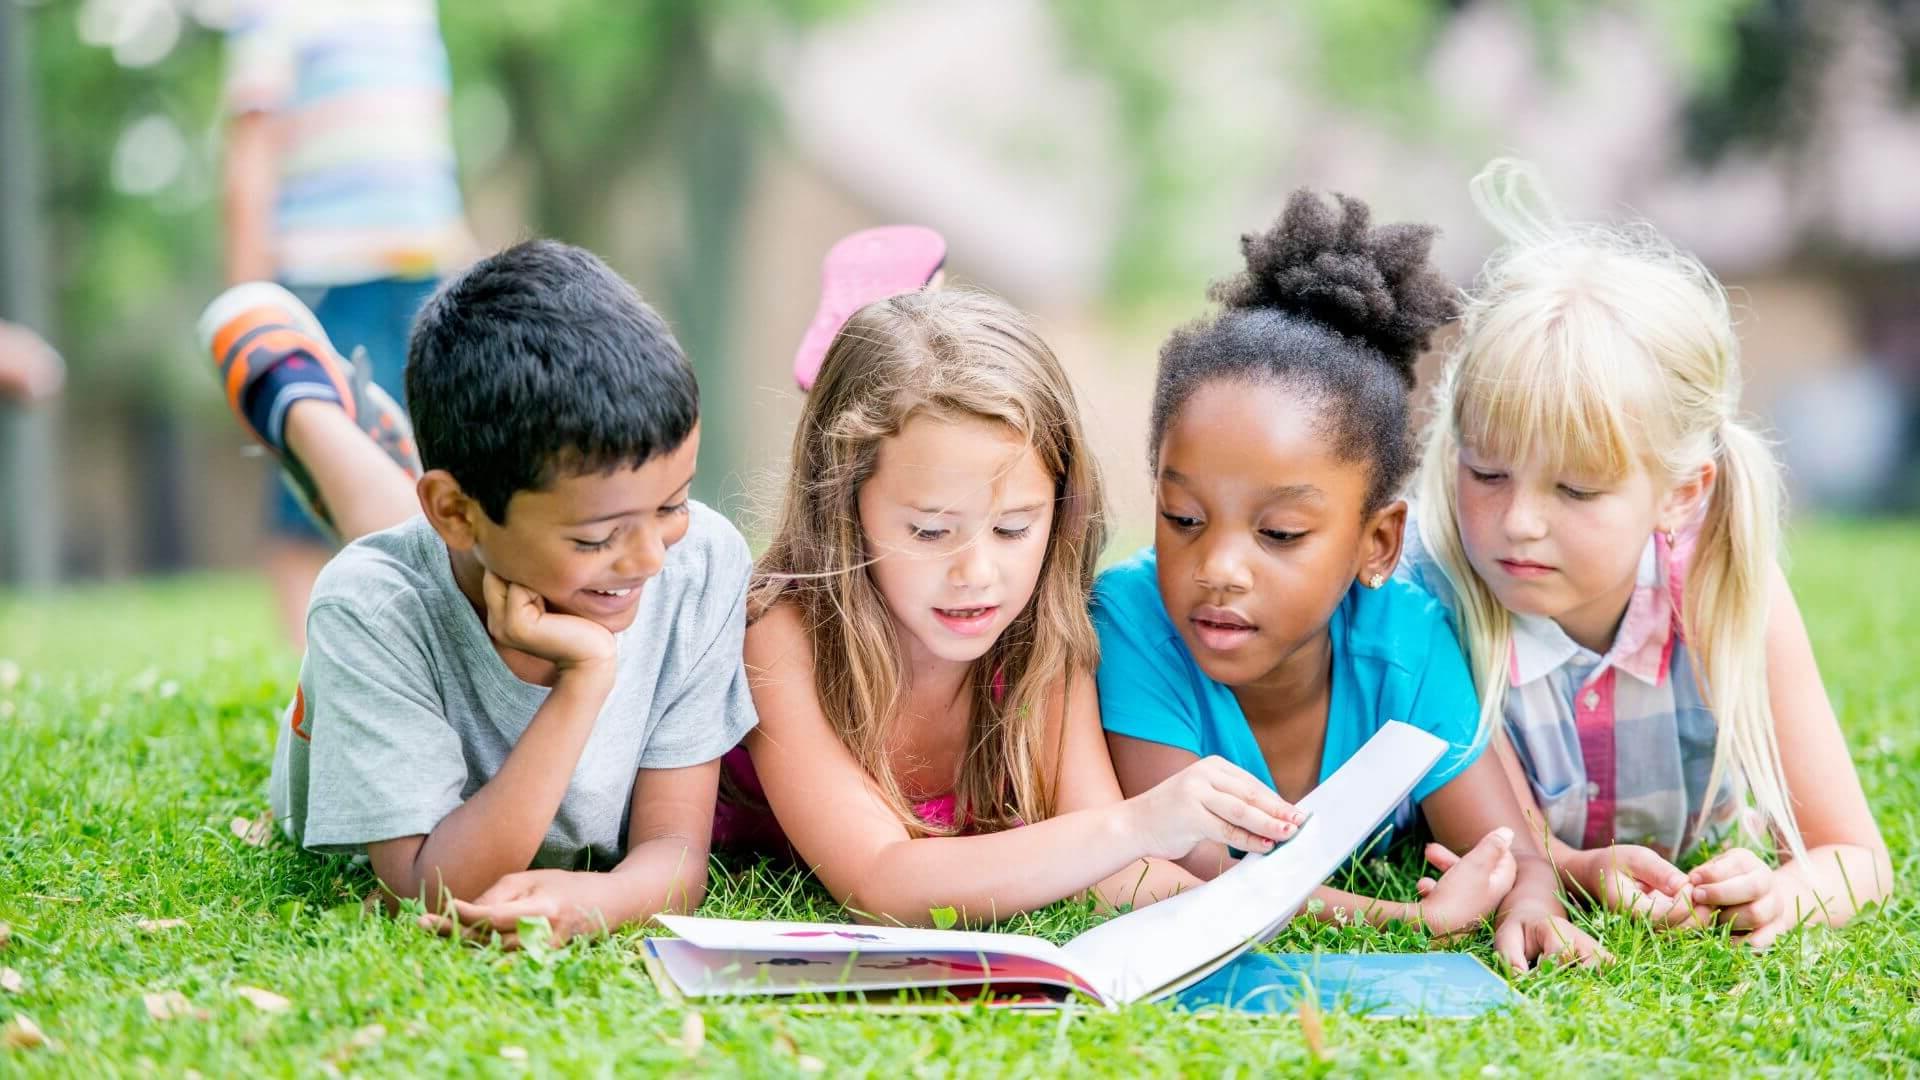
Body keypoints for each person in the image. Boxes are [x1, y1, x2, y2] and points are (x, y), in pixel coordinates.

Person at [1094, 189, 1605, 972]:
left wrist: (1531, 901)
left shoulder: (1408, 641)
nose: (1220, 569)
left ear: (1377, 543)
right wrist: (1406, 920)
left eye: (1280, 534)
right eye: (1183, 518)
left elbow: (1509, 849)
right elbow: (1206, 874)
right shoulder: (1131, 624)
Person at [197, 240, 753, 946]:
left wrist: (606, 900)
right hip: (429, 558)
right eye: (596, 537)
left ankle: (369, 442)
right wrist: (583, 680)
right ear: (457, 510)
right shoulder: (370, 609)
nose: (648, 560)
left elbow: (675, 851)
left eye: (672, 504)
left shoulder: (700, 561)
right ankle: (298, 399)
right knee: (404, 561)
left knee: (421, 537)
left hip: (463, 527)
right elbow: (428, 888)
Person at [1402, 160, 1894, 950]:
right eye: (1487, 472)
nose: (1518, 522)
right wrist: (1581, 870)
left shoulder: (1724, 585)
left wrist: (1782, 896)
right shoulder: (1434, 597)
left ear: (1680, 491)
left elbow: (1855, 857)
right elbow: (1513, 853)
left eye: (1576, 491)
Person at [721, 286, 1308, 926]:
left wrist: (1354, 912)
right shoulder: (784, 635)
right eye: (930, 532)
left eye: (1012, 529)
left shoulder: (1040, 637)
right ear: (844, 506)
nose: (976, 574)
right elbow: (879, 881)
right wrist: (1137, 823)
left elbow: (1109, 871)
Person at [221, 0, 474, 646]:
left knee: (427, 461)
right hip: (330, 271)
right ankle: (304, 659)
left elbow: (428, 156)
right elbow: (253, 151)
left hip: (423, 271)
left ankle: (421, 646)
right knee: (317, 460)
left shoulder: (412, 14)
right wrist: (250, 300)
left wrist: (465, 264)